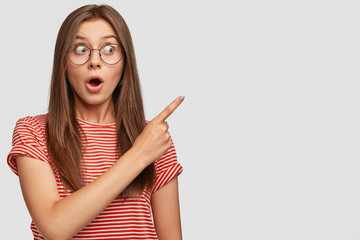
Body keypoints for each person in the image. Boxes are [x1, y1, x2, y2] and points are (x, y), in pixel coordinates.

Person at [7, 4, 184, 240]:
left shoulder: (154, 138)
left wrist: (147, 147)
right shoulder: (33, 131)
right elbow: (54, 228)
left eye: (109, 49)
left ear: (125, 63)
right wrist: (139, 155)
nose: (95, 61)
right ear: (63, 62)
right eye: (80, 49)